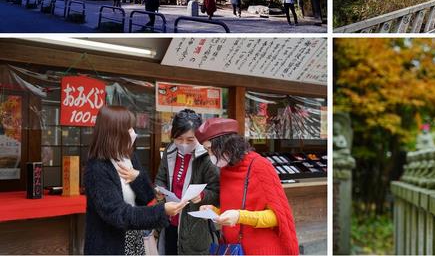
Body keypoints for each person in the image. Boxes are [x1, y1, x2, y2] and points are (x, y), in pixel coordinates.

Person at [83, 106, 188, 255]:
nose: (133, 133)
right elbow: (118, 214)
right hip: (110, 245)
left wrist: (137, 177)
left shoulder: (129, 156)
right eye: (129, 128)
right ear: (115, 132)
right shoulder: (97, 168)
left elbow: (147, 196)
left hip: (136, 238)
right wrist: (162, 211)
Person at [195, 118, 299, 255]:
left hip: (263, 250)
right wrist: (214, 211)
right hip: (234, 249)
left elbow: (277, 217)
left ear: (225, 144)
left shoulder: (260, 166)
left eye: (210, 149)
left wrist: (239, 216)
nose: (210, 155)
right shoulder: (226, 169)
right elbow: (236, 209)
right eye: (206, 150)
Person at [154, 109, 219, 255]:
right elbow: (160, 179)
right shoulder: (169, 151)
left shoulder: (207, 157)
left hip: (195, 230)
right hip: (169, 222)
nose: (183, 144)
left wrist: (202, 196)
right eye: (178, 139)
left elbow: (217, 191)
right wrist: (159, 190)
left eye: (190, 140)